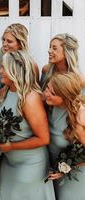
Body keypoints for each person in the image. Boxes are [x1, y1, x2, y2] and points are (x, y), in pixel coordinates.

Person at [0, 50, 55, 200]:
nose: (0, 71)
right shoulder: (4, 91)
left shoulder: (30, 98)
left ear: (14, 70)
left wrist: (11, 147)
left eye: (3, 67)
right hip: (8, 164)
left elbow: (43, 138)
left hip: (30, 165)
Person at [44, 72, 85, 200]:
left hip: (74, 178)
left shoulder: (79, 119)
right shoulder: (53, 105)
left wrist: (67, 167)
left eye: (52, 94)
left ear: (65, 97)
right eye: (47, 89)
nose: (46, 94)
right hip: (53, 173)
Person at [0, 23, 39, 89]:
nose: (4, 44)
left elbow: (34, 91)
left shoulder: (31, 65)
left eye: (9, 41)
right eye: (3, 39)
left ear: (20, 43)